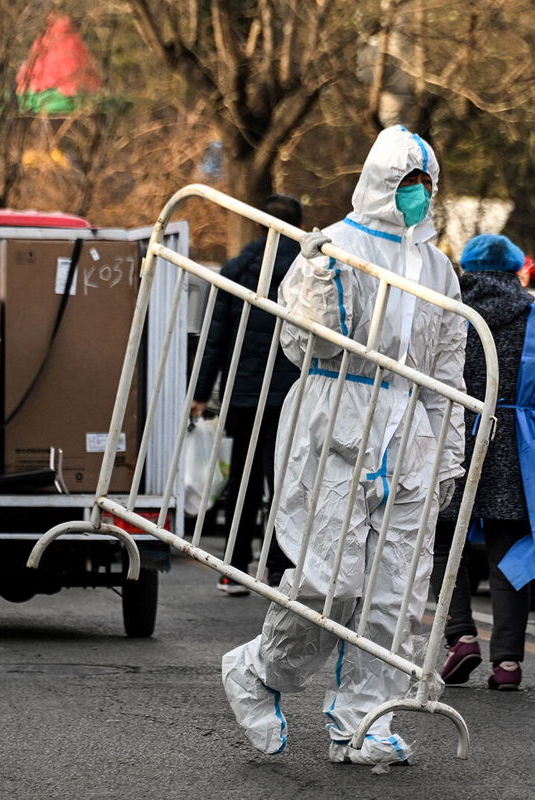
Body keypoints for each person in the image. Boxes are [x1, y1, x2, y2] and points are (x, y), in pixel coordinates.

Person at [221, 125, 465, 768]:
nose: (417, 195)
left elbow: (447, 368)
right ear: (382, 182)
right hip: (338, 416)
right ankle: (258, 670)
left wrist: (447, 453)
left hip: (409, 431)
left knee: (397, 590)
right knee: (330, 583)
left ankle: (366, 716)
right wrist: (321, 290)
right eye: (407, 183)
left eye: (425, 185)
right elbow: (306, 346)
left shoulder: (439, 267)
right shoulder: (335, 246)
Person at [428, 235, 535, 691]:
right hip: (519, 445)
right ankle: (508, 663)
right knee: (510, 548)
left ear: (467, 268)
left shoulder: (448, 313)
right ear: (517, 268)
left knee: (440, 540)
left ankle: (459, 636)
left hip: (453, 438)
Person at [192, 194, 301, 594]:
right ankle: (277, 568)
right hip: (294, 395)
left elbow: (215, 336)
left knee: (244, 482)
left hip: (245, 395)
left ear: (259, 224)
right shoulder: (310, 269)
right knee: (285, 484)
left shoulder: (237, 268)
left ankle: (234, 568)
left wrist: (201, 392)